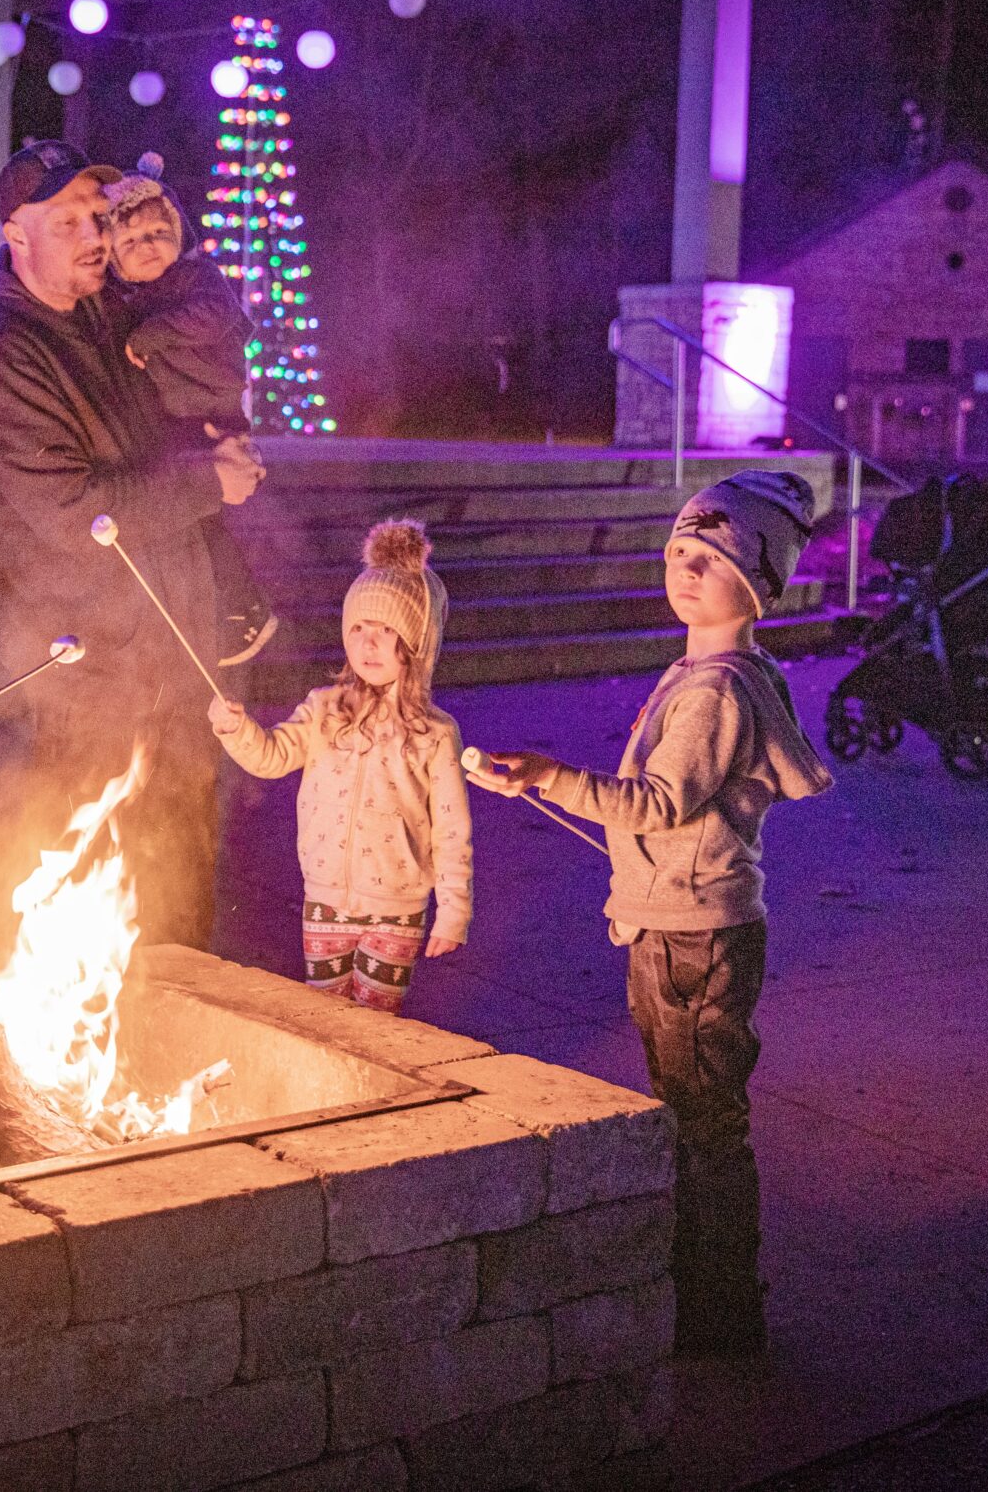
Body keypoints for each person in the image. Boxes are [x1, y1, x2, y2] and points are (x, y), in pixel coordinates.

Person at [466, 471, 832, 1357]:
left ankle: (719, 1308)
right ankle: (705, 1287)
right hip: (687, 925)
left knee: (702, 1122)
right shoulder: (711, 671)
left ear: (757, 581)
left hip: (691, 938)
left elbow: (657, 801)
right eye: (677, 552)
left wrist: (548, 774)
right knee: (693, 1111)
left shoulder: (715, 690)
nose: (685, 569)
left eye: (709, 557)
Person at [0, 139, 265, 950]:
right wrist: (209, 483)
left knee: (180, 900)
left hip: (168, 656)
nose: (96, 235)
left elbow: (202, 336)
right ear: (17, 236)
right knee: (97, 908)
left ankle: (171, 1062)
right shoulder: (0, 355)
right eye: (69, 220)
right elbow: (73, 511)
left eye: (100, 214)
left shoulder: (105, 312)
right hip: (84, 683)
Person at [208, 520, 472, 1011]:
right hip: (325, 901)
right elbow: (270, 756)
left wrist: (453, 912)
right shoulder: (324, 709)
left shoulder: (434, 733)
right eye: (359, 629)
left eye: (386, 631)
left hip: (397, 911)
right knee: (328, 1019)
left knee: (374, 1026)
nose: (369, 644)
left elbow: (452, 831)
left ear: (414, 643)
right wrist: (236, 729)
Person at [104, 154, 278, 662]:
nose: (148, 247)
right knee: (186, 513)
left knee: (198, 513)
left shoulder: (195, 277)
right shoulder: (139, 295)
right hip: (183, 416)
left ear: (179, 233)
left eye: (159, 232)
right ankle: (221, 611)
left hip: (207, 413)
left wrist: (151, 335)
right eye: (131, 242)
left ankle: (243, 612)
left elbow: (218, 314)